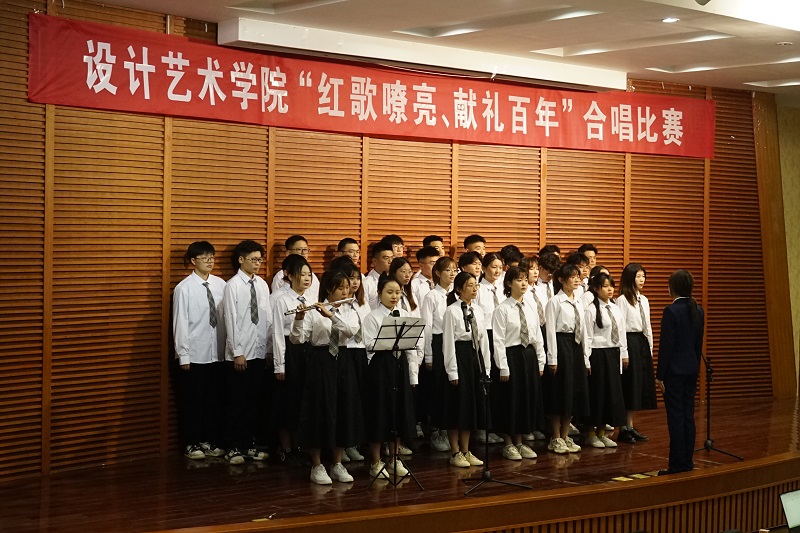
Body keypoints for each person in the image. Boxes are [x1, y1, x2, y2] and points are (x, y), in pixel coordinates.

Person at [290, 270, 360, 485]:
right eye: (341, 288)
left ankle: (337, 463)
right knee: (319, 410)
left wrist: (331, 315)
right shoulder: (314, 310)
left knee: (342, 410)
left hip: (343, 359)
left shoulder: (350, 310)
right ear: (329, 289)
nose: (345, 292)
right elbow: (297, 339)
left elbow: (351, 331)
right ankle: (317, 465)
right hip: (320, 361)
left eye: (347, 288)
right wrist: (299, 319)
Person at [172, 241, 226, 460]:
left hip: (217, 353)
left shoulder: (221, 285)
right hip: (195, 354)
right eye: (204, 258)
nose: (209, 261)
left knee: (213, 401)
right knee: (192, 401)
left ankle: (208, 441)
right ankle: (191, 443)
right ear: (193, 261)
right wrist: (183, 354)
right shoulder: (184, 288)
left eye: (212, 257)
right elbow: (180, 322)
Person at [362, 274, 419, 480]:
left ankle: (395, 458)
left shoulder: (404, 314)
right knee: (380, 413)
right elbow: (369, 344)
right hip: (380, 366)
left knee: (398, 412)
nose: (394, 296)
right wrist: (386, 340)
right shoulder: (372, 317)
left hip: (399, 366)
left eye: (397, 292)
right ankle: (376, 461)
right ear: (379, 293)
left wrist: (413, 376)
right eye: (389, 292)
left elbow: (411, 346)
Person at [222, 240, 272, 465]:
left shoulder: (261, 284)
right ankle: (233, 446)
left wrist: (268, 349)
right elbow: (230, 320)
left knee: (254, 402)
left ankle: (248, 444)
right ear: (241, 260)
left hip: (258, 351)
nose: (258, 263)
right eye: (253, 259)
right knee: (237, 402)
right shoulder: (232, 285)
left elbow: (267, 318)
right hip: (241, 353)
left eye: (260, 260)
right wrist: (237, 352)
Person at [491, 267, 545, 461]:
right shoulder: (502, 309)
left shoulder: (530, 306)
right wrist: (503, 366)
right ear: (509, 283)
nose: (523, 283)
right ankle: (508, 443)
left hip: (528, 356)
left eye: (525, 280)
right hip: (511, 355)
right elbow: (498, 340)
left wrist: (540, 361)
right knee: (510, 399)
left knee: (525, 398)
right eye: (518, 280)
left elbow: (537, 336)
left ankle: (520, 442)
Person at [656, 270, 704, 475]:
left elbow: (666, 346)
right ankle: (687, 462)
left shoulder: (671, 311)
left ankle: (676, 464)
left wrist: (660, 375)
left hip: (674, 372)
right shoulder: (698, 310)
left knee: (675, 417)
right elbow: (698, 345)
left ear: (672, 288)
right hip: (691, 369)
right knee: (688, 416)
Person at [442, 271, 490, 468]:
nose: (474, 289)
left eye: (475, 285)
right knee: (457, 405)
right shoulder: (451, 311)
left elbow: (483, 339)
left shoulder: (477, 310)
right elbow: (448, 343)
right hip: (459, 356)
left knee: (470, 406)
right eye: (470, 285)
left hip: (474, 357)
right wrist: (452, 370)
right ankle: (455, 451)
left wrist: (486, 367)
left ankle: (466, 450)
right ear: (459, 289)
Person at [270, 254, 313, 466]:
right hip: (289, 350)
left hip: (307, 350)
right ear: (290, 276)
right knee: (287, 400)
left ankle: (299, 446)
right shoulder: (281, 299)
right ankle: (285, 448)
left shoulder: (311, 298)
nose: (306, 278)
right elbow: (277, 332)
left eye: (309, 275)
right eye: (301, 274)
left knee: (303, 401)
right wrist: (280, 365)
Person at [543, 263, 590, 455]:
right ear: (561, 280)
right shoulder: (555, 301)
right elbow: (550, 331)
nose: (577, 279)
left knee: (573, 391)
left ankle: (565, 435)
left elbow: (584, 330)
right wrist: (552, 358)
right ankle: (555, 437)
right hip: (561, 345)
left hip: (576, 346)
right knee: (559, 392)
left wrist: (586, 357)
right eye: (572, 276)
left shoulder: (579, 301)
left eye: (578, 276)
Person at [584, 273, 627, 449]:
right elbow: (587, 337)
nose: (610, 289)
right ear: (596, 289)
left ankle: (602, 432)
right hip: (597, 354)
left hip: (613, 353)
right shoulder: (591, 310)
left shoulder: (615, 308)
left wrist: (624, 354)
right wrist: (586, 360)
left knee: (610, 394)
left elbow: (621, 332)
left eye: (611, 286)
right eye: (605, 286)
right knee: (597, 394)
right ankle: (590, 433)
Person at [616, 263, 657, 444]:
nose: (642, 280)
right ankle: (623, 428)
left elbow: (647, 326)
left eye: (643, 276)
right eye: (638, 276)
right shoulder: (622, 300)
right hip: (629, 342)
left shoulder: (644, 300)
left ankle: (630, 425)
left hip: (641, 342)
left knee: (639, 386)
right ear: (630, 278)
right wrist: (624, 352)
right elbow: (620, 328)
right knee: (629, 385)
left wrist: (650, 348)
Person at [421, 256, 458, 452]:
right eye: (447, 270)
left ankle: (449, 428)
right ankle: (436, 431)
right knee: (438, 388)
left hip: (453, 342)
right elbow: (427, 326)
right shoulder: (432, 296)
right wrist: (428, 355)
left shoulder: (456, 295)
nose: (452, 274)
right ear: (437, 272)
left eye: (454, 270)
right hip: (437, 341)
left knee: (451, 389)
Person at [474, 252, 505, 444]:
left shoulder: (503, 288)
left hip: (502, 337)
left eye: (500, 267)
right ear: (484, 268)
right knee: (485, 383)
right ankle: (482, 428)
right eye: (494, 267)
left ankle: (498, 426)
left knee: (500, 385)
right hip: (484, 336)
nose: (497, 271)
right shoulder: (478, 289)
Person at [271, 235, 320, 301]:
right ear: (289, 253)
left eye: (305, 250)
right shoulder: (280, 276)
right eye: (299, 249)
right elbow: (276, 299)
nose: (303, 253)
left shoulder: (313, 276)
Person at [363, 241, 394, 310]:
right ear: (375, 261)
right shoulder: (366, 283)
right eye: (386, 258)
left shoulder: (395, 280)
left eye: (392, 258)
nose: (390, 261)